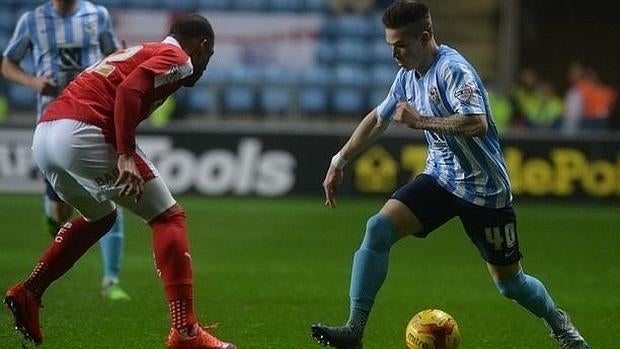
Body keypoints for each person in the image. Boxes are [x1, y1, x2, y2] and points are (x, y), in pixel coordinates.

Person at [309, 2, 590, 349]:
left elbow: (476, 123)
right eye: (390, 45)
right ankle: (354, 329)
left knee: (510, 284)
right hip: (441, 179)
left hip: (485, 191)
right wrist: (339, 161)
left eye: (400, 45)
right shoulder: (407, 77)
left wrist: (420, 122)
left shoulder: (454, 71)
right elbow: (377, 120)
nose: (394, 53)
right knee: (378, 228)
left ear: (424, 37)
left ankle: (559, 323)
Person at [3, 13, 236, 349]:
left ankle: (29, 291)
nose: (204, 65)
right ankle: (186, 332)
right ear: (202, 45)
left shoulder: (147, 50)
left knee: (101, 217)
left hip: (46, 135)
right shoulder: (179, 58)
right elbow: (128, 90)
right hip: (83, 131)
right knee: (168, 217)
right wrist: (125, 154)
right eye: (209, 57)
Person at [1, 0, 130, 300]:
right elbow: (8, 64)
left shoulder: (97, 15)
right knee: (62, 210)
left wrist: (120, 58)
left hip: (94, 118)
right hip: (53, 123)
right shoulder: (32, 20)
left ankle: (111, 280)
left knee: (111, 192)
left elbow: (114, 54)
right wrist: (32, 82)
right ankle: (53, 214)